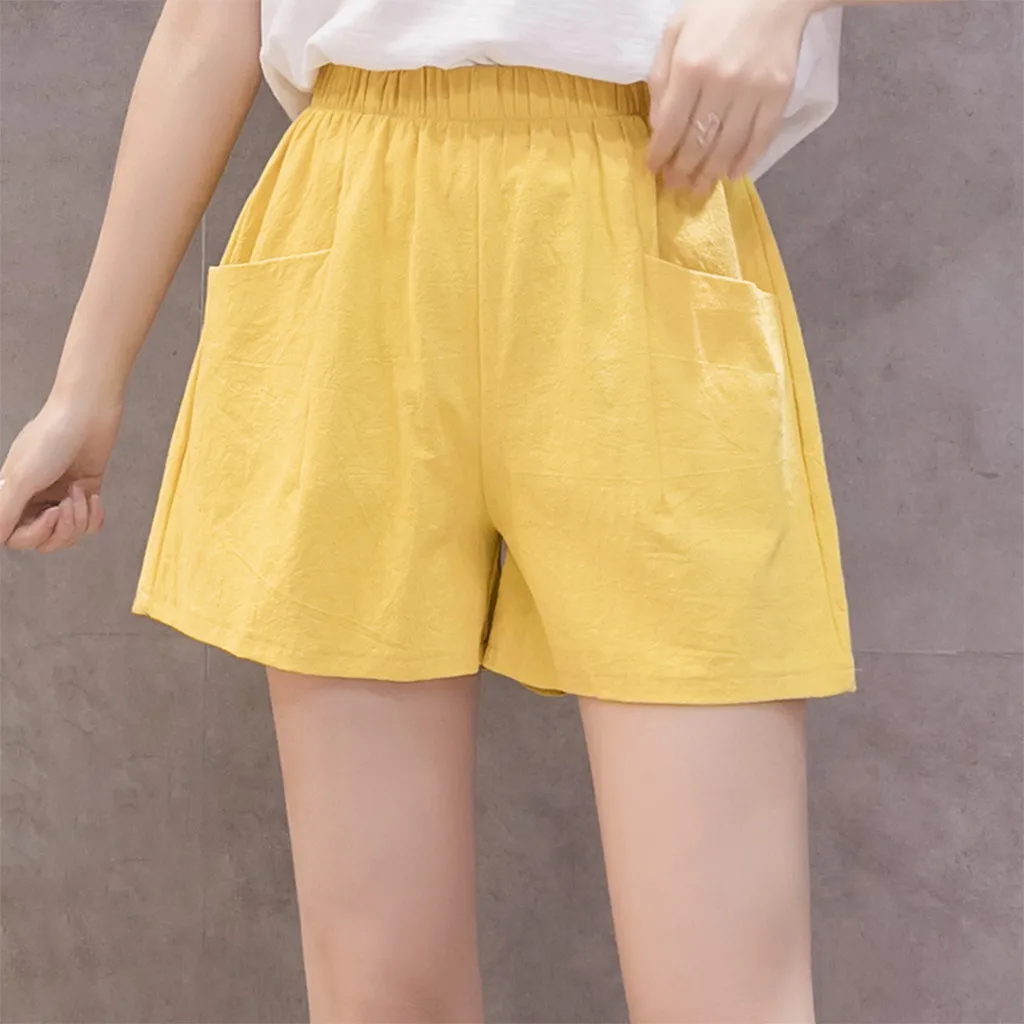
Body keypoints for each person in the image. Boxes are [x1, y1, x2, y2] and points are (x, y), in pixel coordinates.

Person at [0, 0, 940, 1020]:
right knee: (379, 994)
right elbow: (206, 24)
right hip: (353, 222)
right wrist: (82, 389)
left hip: (648, 207)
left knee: (725, 997)